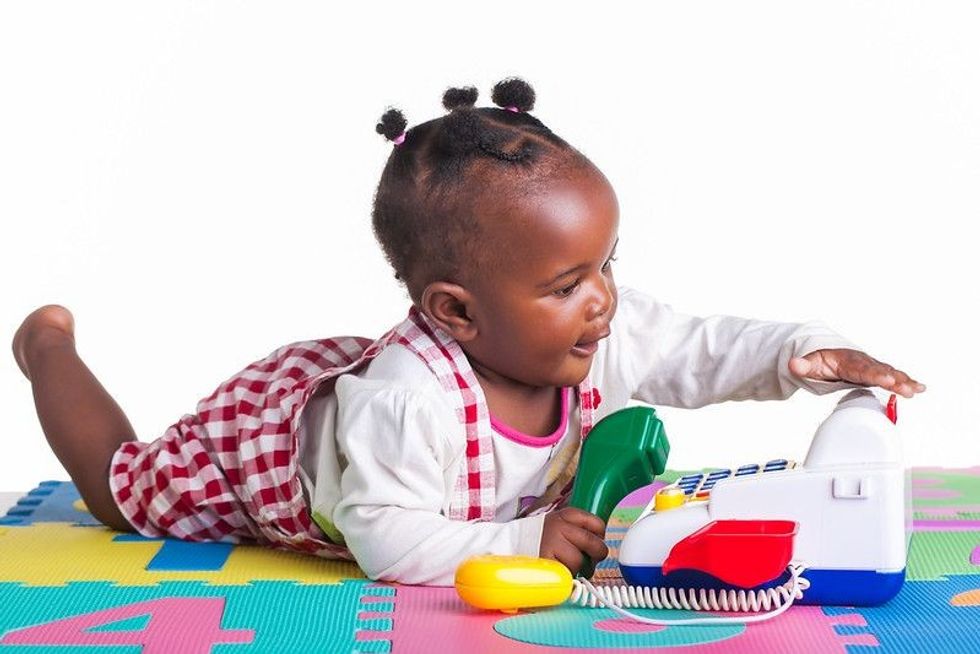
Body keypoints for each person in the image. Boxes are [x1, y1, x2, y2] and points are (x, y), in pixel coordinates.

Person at [11, 77, 925, 586]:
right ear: (455, 311)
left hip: (357, 398)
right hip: (268, 448)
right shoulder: (406, 405)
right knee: (119, 492)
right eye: (568, 284)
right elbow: (388, 539)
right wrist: (524, 544)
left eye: (607, 263)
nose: (603, 299)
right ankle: (48, 350)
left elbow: (696, 347)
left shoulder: (595, 328)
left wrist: (800, 353)